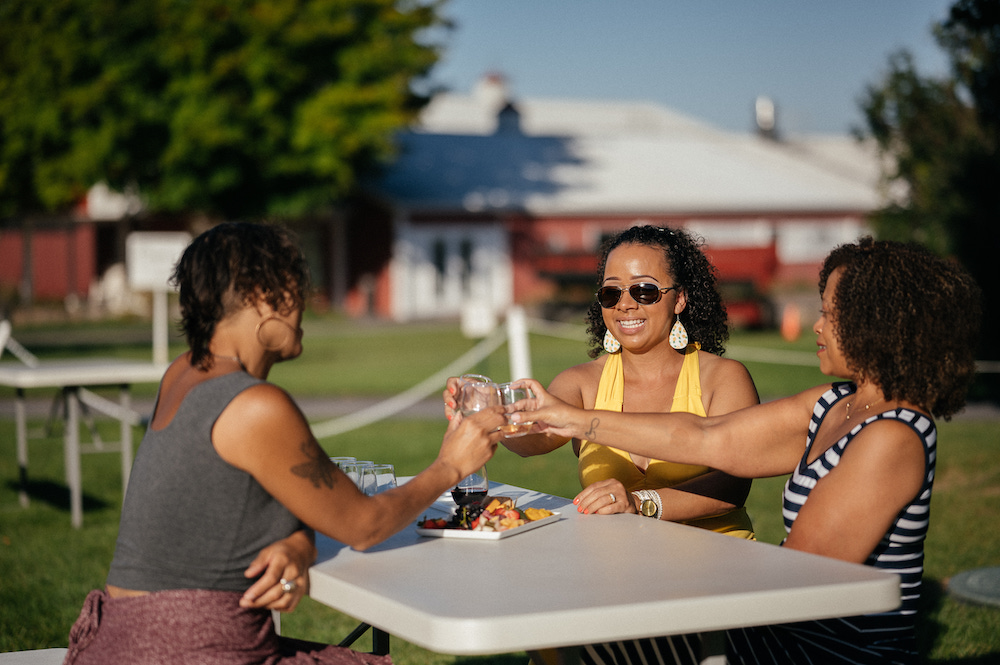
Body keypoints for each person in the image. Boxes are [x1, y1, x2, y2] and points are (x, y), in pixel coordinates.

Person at [510, 237, 982, 664]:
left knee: (589, 645)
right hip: (776, 630)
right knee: (563, 640)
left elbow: (802, 572)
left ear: (874, 324)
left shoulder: (893, 435)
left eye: (829, 314)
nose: (814, 325)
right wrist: (567, 417)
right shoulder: (833, 402)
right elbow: (704, 437)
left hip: (823, 652)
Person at [64, 222, 504, 665]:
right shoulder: (256, 406)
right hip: (190, 650)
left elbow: (238, 503)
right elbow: (364, 527)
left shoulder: (182, 373)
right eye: (296, 289)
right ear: (261, 297)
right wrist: (450, 465)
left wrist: (298, 542)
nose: (304, 305)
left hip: (121, 640)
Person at [446, 225, 759, 536]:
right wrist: (485, 411)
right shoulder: (583, 382)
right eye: (612, 293)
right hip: (618, 567)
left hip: (717, 564)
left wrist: (641, 503)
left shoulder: (724, 377)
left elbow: (733, 486)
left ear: (679, 299)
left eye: (644, 290)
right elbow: (534, 439)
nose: (625, 304)